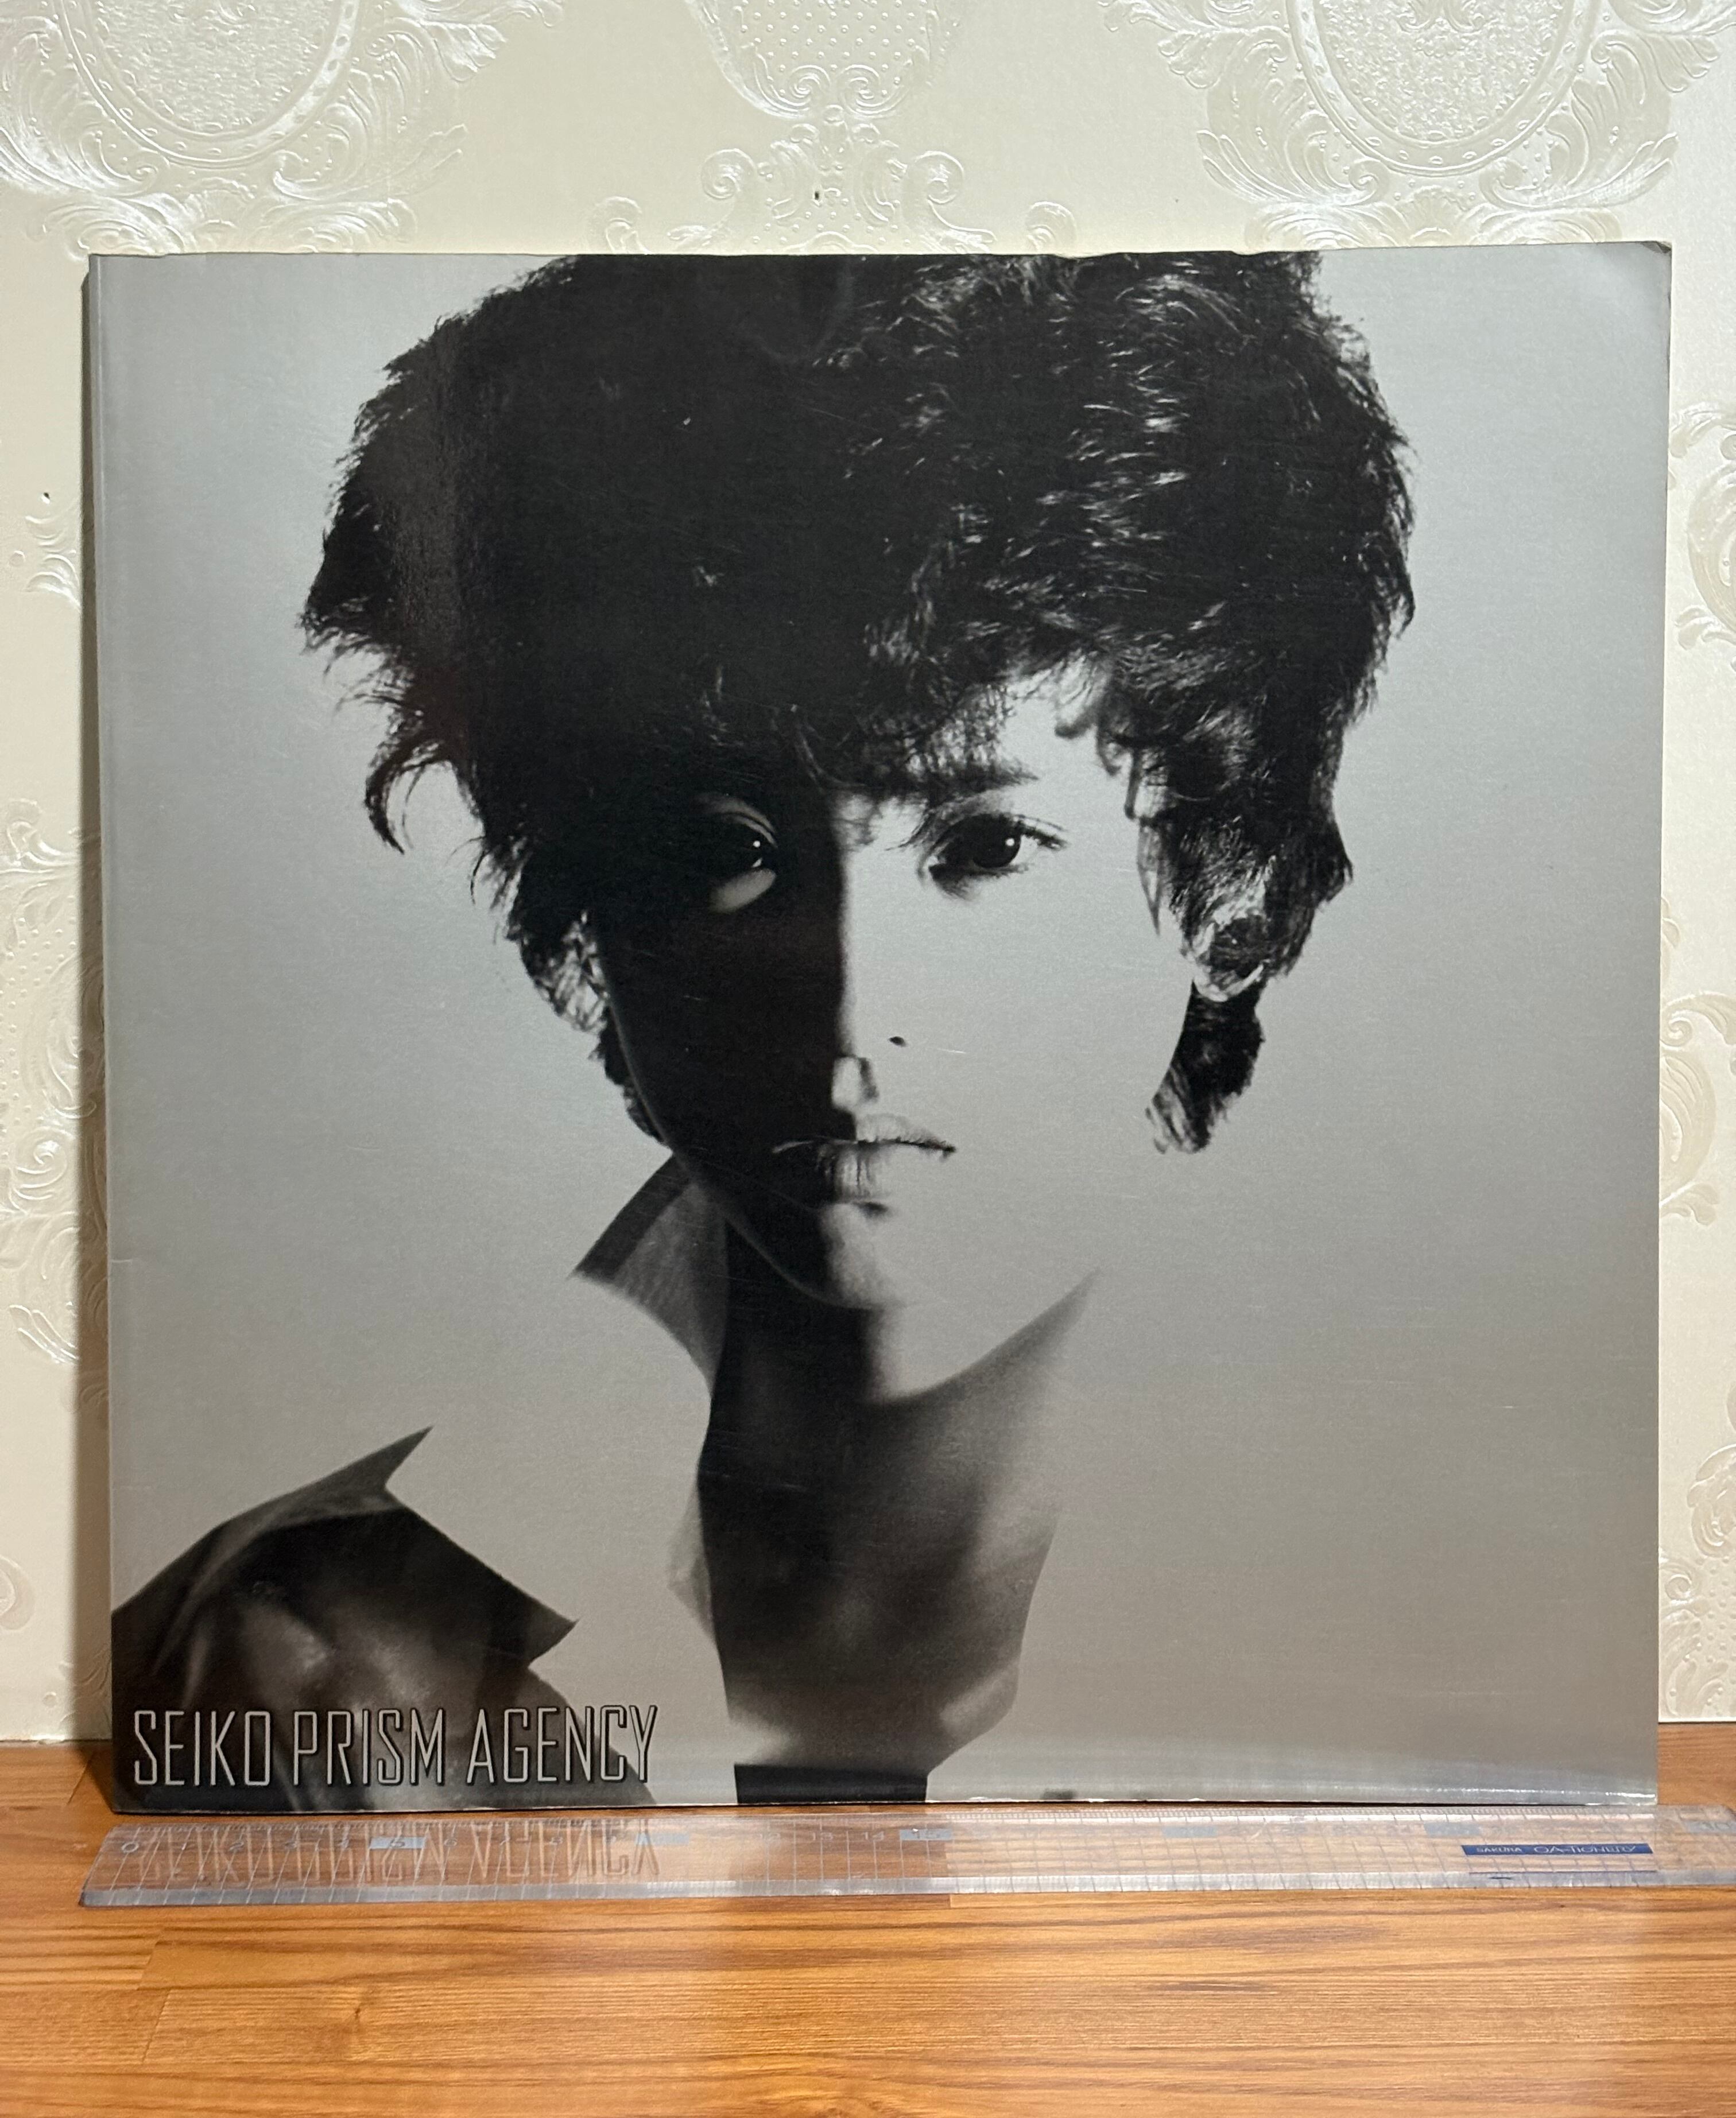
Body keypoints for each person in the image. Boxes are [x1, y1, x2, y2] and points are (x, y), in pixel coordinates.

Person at [112, 252, 1412, 1810]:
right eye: (731, 848)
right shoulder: (290, 1658)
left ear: (1231, 893)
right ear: (586, 940)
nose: (854, 1004)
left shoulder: (1410, 1619)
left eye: (986, 848)